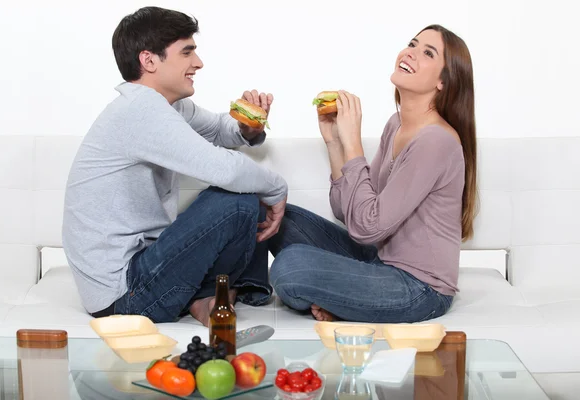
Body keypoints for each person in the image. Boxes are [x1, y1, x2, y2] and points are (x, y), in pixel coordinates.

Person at [62, 6, 288, 327]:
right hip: (122, 294)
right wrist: (277, 189)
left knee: (244, 192)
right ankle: (210, 294)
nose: (198, 63)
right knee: (238, 197)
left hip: (142, 268)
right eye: (187, 53)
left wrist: (249, 126)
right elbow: (226, 170)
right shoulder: (141, 110)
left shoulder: (168, 105)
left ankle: (206, 296)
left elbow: (218, 130)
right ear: (149, 60)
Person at [268, 24, 478, 323]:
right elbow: (349, 212)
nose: (411, 53)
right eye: (413, 44)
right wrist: (334, 141)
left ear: (444, 81)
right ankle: (347, 300)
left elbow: (368, 227)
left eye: (427, 53)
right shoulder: (397, 124)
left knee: (290, 268)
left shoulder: (435, 141)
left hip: (419, 289)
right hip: (379, 260)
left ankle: (344, 301)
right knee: (277, 217)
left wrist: (354, 142)